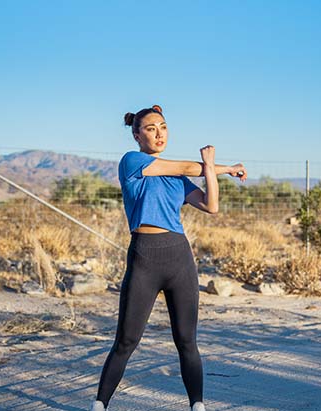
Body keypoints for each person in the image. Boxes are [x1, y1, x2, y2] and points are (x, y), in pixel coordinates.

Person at [90, 105, 247, 411]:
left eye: (163, 127)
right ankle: (99, 405)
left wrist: (213, 170)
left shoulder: (177, 178)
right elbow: (190, 167)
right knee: (126, 341)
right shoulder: (132, 162)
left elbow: (211, 205)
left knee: (187, 341)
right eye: (151, 128)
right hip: (144, 258)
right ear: (137, 135)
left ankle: (197, 406)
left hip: (179, 259)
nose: (159, 133)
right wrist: (219, 166)